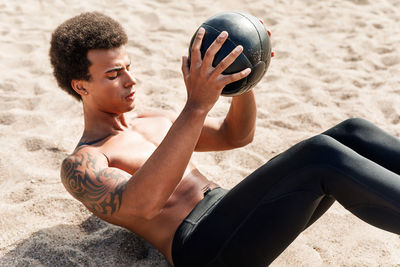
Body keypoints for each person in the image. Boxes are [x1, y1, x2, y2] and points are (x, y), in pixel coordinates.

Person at [50, 12, 400, 267]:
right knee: (320, 156)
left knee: (353, 132)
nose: (130, 80)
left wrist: (241, 83)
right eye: (113, 74)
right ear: (81, 86)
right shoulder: (85, 162)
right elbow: (142, 205)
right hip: (203, 248)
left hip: (232, 210)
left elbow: (236, 136)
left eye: (128, 67)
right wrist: (198, 105)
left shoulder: (154, 119)